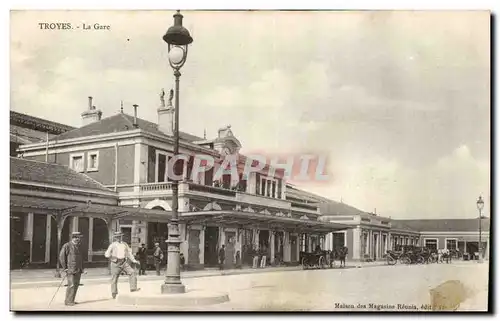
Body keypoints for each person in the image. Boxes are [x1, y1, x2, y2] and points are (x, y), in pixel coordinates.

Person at [104, 232, 140, 299]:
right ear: (115, 238)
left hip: (123, 262)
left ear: (121, 237)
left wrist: (134, 261)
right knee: (114, 278)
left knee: (132, 272)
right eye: (117, 237)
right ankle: (114, 293)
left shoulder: (125, 244)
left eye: (120, 236)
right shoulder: (112, 245)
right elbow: (106, 254)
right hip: (115, 263)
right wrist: (112, 257)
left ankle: (133, 288)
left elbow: (129, 253)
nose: (119, 238)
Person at [59, 232, 84, 306]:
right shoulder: (67, 245)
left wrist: (82, 268)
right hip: (70, 269)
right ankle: (68, 301)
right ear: (73, 238)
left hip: (78, 269)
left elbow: (81, 259)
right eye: (77, 237)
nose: (78, 239)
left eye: (79, 238)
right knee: (71, 285)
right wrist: (65, 268)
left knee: (76, 285)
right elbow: (62, 257)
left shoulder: (79, 246)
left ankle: (71, 300)